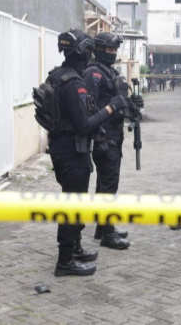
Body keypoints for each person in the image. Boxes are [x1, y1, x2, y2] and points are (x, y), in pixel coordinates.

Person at [33, 29, 129, 277]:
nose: (91, 56)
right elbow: (84, 124)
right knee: (72, 206)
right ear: (83, 52)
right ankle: (65, 261)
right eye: (89, 51)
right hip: (72, 152)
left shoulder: (58, 75)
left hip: (63, 149)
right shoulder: (74, 84)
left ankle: (74, 248)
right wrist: (111, 107)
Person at [83, 33, 144, 249]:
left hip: (114, 135)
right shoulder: (94, 74)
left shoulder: (107, 72)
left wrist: (132, 104)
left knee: (106, 183)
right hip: (104, 136)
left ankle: (102, 227)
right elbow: (90, 107)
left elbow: (118, 102)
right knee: (108, 184)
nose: (112, 53)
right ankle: (108, 234)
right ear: (99, 50)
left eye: (114, 50)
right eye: (108, 50)